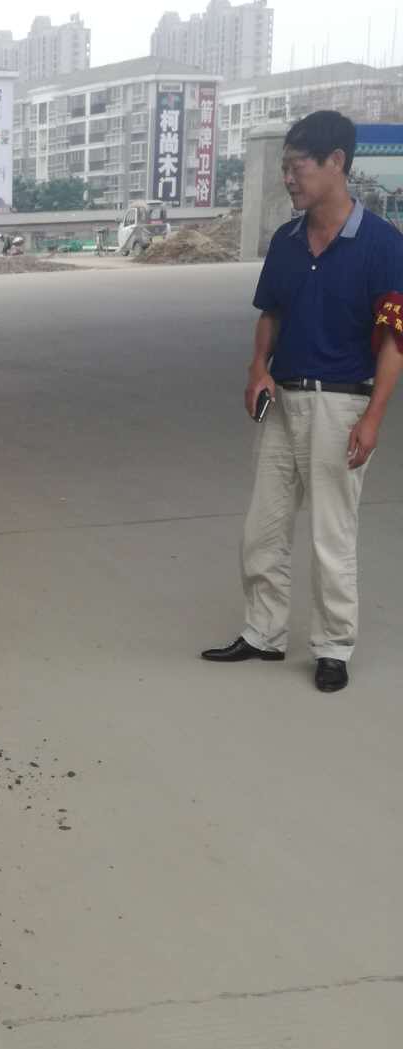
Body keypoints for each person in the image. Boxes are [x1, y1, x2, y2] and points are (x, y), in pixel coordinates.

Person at [202, 110, 403, 692]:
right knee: (262, 528)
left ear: (336, 162)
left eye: (297, 167)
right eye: (285, 168)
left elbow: (394, 342)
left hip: (341, 407)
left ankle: (333, 647)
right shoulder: (287, 243)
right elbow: (272, 313)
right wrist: (257, 368)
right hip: (284, 403)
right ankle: (263, 633)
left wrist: (373, 417)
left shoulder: (383, 246)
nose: (288, 178)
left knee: (331, 534)